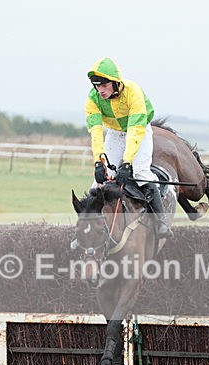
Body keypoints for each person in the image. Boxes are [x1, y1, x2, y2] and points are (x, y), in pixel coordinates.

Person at [84, 57, 170, 236]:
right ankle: (88, 230)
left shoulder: (133, 92)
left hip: (139, 130)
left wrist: (127, 162)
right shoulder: (93, 99)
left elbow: (135, 131)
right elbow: (96, 131)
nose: (100, 90)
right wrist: (98, 162)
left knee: (139, 172)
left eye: (104, 85)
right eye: (97, 86)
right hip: (115, 133)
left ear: (115, 82)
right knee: (99, 181)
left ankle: (161, 221)